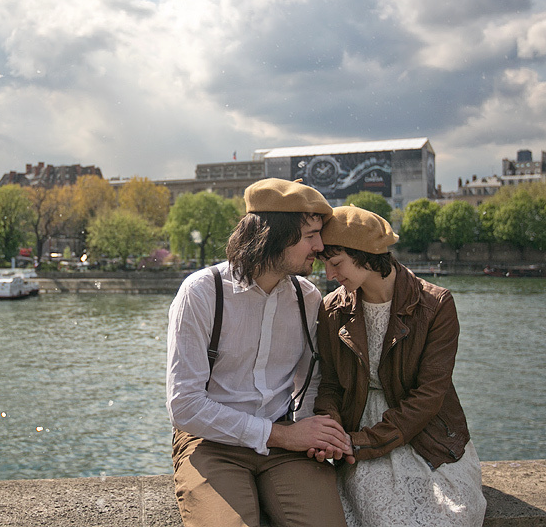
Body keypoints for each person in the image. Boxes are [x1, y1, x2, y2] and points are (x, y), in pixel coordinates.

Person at [166, 178, 352, 527]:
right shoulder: (202, 293)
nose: (320, 245)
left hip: (287, 447)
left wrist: (313, 434)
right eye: (310, 235)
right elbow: (185, 407)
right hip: (211, 443)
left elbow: (307, 382)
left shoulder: (308, 298)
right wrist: (282, 435)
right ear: (275, 235)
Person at [314, 206, 486, 527]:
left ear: (367, 255)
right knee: (380, 512)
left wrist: (364, 442)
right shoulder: (331, 308)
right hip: (358, 424)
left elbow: (430, 395)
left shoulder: (436, 305)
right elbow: (330, 386)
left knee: (455, 513)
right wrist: (333, 431)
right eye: (325, 264)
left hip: (426, 430)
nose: (329, 276)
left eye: (336, 264)